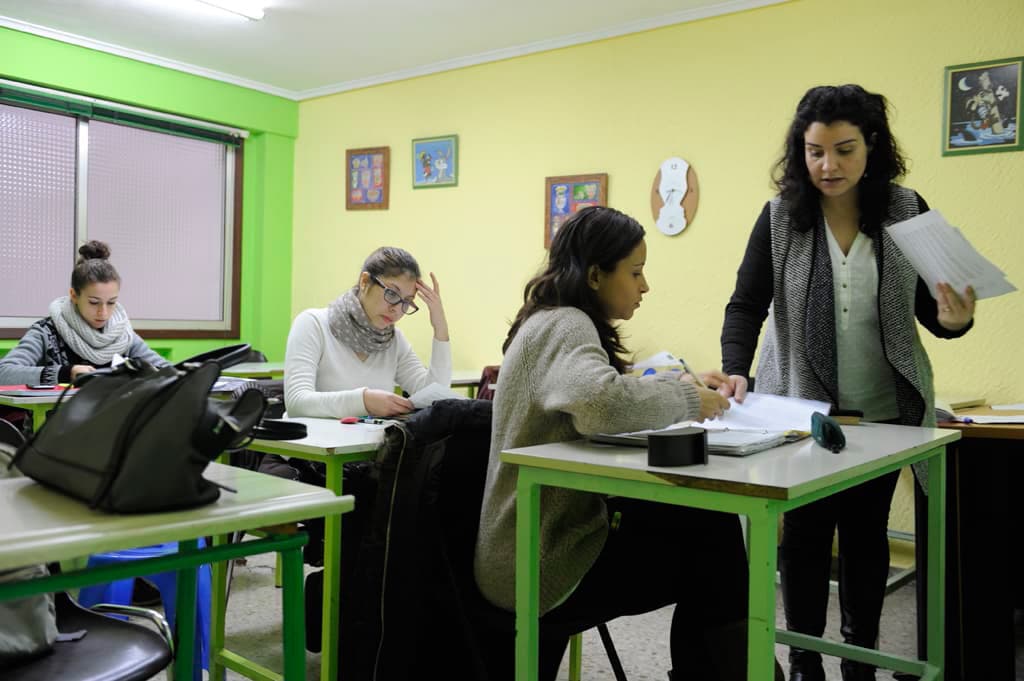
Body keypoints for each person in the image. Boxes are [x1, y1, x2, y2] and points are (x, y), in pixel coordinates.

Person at [719, 84, 976, 681]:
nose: (827, 166)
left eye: (843, 149)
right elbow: (746, 303)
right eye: (813, 152)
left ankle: (860, 659)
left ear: (872, 148)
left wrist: (954, 319)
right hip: (800, 408)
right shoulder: (781, 218)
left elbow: (935, 310)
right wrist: (736, 365)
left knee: (864, 537)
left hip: (883, 411)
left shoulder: (907, 210)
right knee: (806, 536)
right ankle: (805, 660)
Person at [475, 206, 779, 681]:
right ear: (596, 275)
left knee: (702, 526)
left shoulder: (548, 320)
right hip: (545, 561)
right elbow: (601, 403)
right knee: (712, 537)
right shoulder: (568, 323)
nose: (644, 285)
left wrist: (669, 379)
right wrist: (684, 396)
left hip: (526, 548)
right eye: (635, 272)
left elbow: (593, 390)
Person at [283, 246, 451, 418]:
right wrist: (363, 401)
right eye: (392, 293)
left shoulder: (394, 341)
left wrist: (440, 326)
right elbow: (297, 403)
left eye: (407, 302)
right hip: (317, 442)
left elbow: (435, 396)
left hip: (370, 444)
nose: (397, 310)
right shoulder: (313, 324)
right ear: (364, 281)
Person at [0, 240, 169, 389]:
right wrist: (66, 373)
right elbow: (4, 373)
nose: (103, 312)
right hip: (56, 423)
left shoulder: (122, 335)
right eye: (94, 302)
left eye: (111, 302)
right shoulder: (46, 332)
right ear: (74, 295)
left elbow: (169, 371)